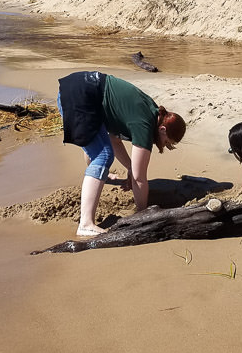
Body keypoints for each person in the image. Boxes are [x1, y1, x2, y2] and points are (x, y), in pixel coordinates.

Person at [58, 70, 186, 237]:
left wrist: (130, 168)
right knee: (103, 156)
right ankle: (86, 224)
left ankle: (97, 175)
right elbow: (139, 179)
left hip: (77, 88)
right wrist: (143, 214)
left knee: (100, 148)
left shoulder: (153, 111)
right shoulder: (144, 125)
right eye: (167, 142)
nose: (164, 146)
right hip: (80, 97)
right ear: (162, 129)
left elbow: (114, 139)